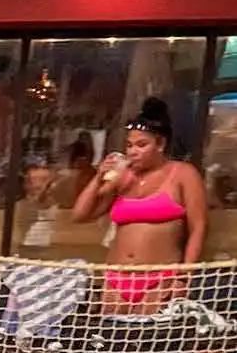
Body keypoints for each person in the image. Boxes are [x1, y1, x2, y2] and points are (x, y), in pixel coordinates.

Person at [72, 96, 207, 310]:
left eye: (141, 145)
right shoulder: (122, 178)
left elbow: (198, 228)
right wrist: (99, 177)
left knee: (148, 340)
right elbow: (80, 215)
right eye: (129, 145)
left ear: (160, 144)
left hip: (160, 278)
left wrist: (183, 277)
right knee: (113, 339)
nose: (133, 151)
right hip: (116, 278)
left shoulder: (183, 174)